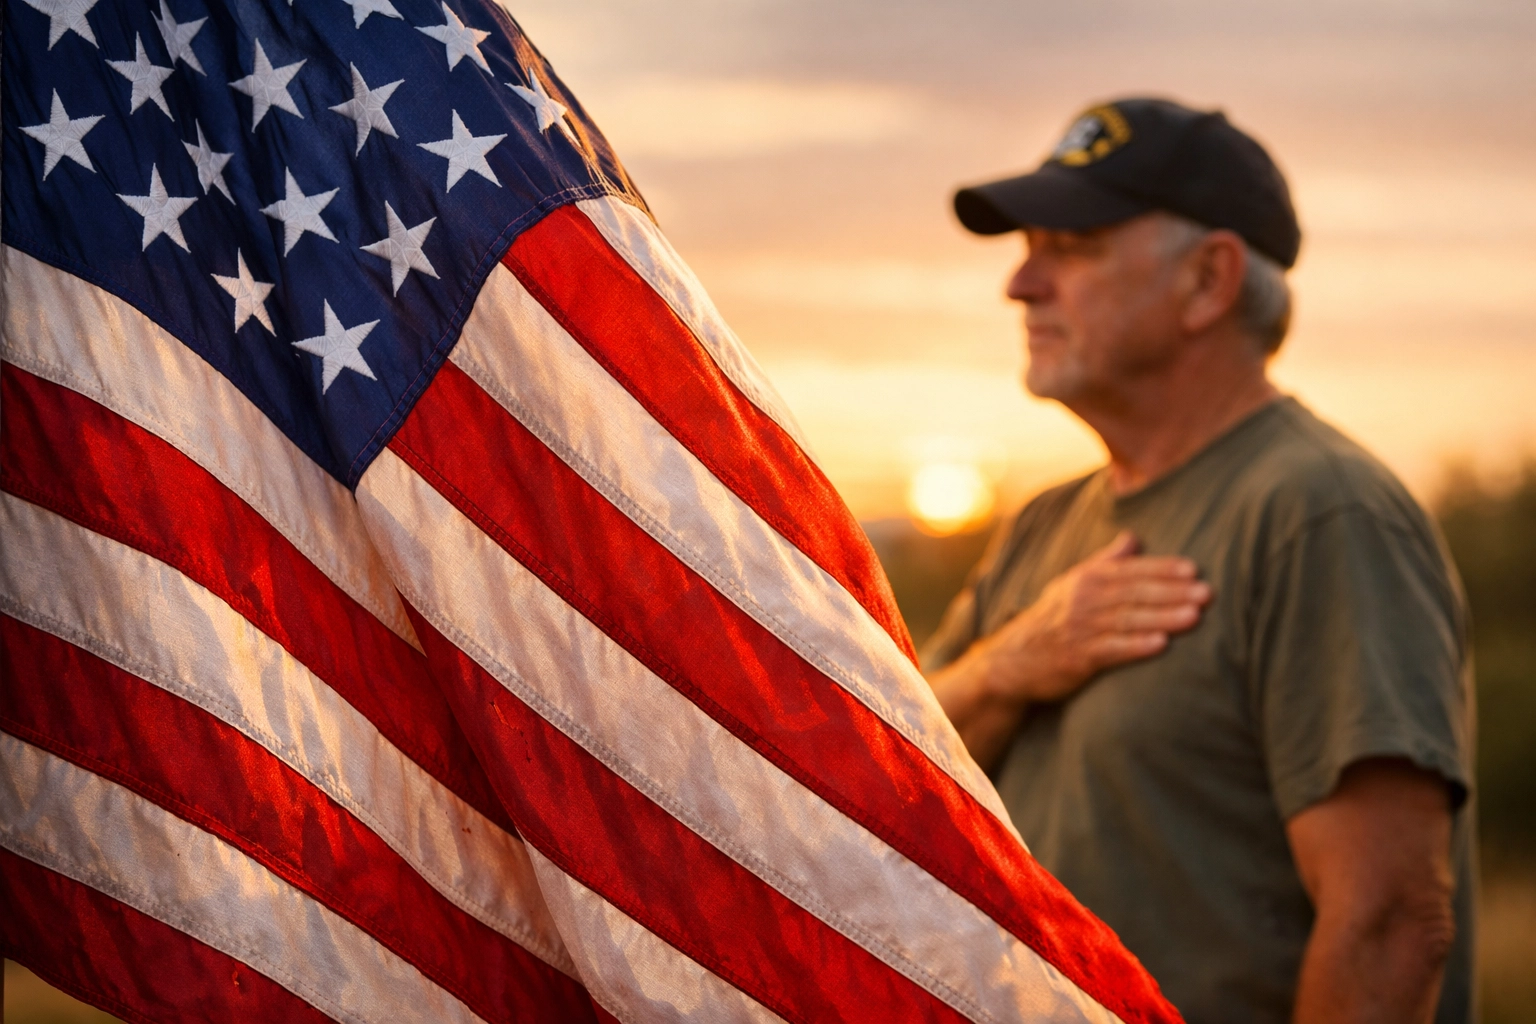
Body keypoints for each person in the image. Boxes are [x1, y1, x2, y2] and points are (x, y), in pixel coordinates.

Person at [925, 97, 1476, 1024]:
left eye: (1073, 245)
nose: (1020, 284)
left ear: (1208, 281)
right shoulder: (1043, 524)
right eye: (1027, 248)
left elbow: (1390, 921)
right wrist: (1011, 664)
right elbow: (895, 774)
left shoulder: (1320, 511)